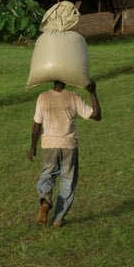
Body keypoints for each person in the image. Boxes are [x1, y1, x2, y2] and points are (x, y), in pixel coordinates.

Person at [27, 80, 101, 228]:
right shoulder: (73, 96)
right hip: (69, 145)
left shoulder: (43, 97)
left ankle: (45, 199)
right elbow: (96, 116)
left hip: (49, 145)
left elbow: (36, 126)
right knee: (67, 181)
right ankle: (58, 219)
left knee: (47, 174)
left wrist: (32, 147)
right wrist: (93, 92)